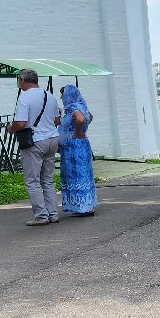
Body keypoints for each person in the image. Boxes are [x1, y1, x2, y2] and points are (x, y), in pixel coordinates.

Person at [8, 69, 61, 226]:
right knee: (48, 179)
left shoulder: (24, 97)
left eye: (19, 79)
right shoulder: (49, 96)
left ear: (23, 79)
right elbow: (57, 120)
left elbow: (21, 123)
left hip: (35, 142)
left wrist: (10, 128)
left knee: (32, 180)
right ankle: (53, 214)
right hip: (52, 139)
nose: (18, 82)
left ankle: (41, 216)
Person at [58, 84, 97, 218]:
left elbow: (80, 119)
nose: (62, 97)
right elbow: (89, 117)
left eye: (63, 94)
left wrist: (78, 131)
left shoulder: (74, 107)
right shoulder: (82, 106)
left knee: (76, 173)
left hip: (73, 145)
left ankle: (82, 206)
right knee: (83, 173)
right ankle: (87, 204)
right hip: (81, 144)